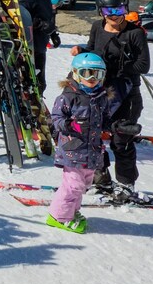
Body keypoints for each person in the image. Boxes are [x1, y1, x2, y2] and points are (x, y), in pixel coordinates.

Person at [69, 0, 151, 202]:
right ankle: (101, 178)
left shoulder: (134, 33)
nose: (115, 16)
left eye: (120, 10)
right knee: (93, 136)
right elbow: (92, 49)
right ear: (100, 11)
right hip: (100, 92)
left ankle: (126, 184)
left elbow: (144, 66)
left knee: (121, 141)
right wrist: (82, 51)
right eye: (109, 11)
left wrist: (119, 65)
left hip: (127, 95)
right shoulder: (97, 27)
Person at [46, 53, 111, 234]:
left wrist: (116, 127)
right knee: (73, 185)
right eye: (87, 73)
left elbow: (105, 120)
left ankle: (71, 211)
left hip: (92, 150)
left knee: (83, 184)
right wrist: (71, 125)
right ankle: (58, 217)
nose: (92, 79)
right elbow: (55, 119)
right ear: (76, 73)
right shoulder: (67, 97)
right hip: (72, 149)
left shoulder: (101, 97)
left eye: (97, 74)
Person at [19, 0, 73, 95]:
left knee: (40, 84)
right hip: (30, 47)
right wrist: (41, 25)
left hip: (39, 45)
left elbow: (44, 15)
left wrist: (52, 33)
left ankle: (36, 102)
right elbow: (19, 15)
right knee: (34, 84)